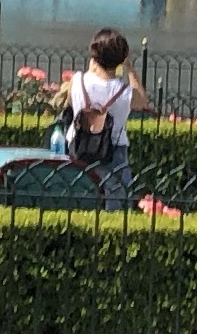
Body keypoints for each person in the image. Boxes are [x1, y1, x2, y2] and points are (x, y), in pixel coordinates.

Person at [59, 27, 146, 203]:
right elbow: (142, 101)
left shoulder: (77, 81)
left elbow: (70, 102)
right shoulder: (124, 92)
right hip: (113, 152)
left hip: (77, 147)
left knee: (77, 200)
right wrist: (129, 68)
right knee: (116, 203)